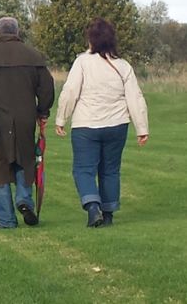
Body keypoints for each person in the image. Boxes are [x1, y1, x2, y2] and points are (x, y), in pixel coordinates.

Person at [54, 17, 149, 227]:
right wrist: (141, 127)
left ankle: (92, 206)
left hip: (86, 126)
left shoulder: (82, 62)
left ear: (91, 40)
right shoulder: (123, 66)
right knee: (110, 170)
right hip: (117, 125)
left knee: (83, 169)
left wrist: (61, 118)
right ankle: (108, 215)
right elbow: (135, 97)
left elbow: (70, 92)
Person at [0, 17, 55, 229]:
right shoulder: (32, 55)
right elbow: (47, 89)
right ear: (17, 32)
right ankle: (24, 199)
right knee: (25, 159)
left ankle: (6, 220)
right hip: (25, 118)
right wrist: (43, 112)